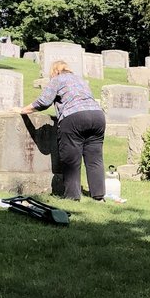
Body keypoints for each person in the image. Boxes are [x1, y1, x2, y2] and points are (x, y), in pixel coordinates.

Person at [30, 58, 107, 201]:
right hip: (97, 116)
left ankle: (72, 196)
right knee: (95, 158)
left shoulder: (57, 80)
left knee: (71, 159)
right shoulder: (80, 80)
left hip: (74, 117)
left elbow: (44, 101)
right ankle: (98, 195)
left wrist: (24, 109)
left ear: (55, 71)